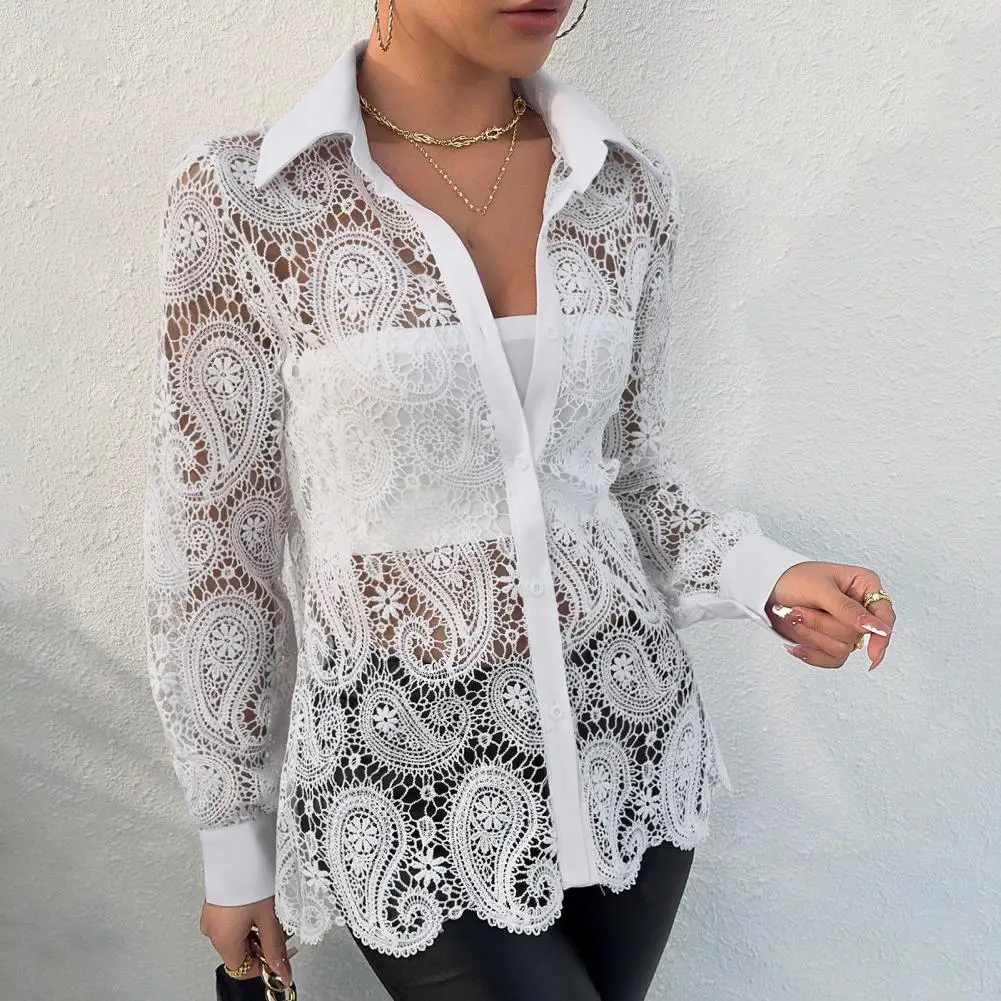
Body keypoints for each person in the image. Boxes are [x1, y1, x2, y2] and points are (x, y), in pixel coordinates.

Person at [142, 2, 897, 998]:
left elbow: (626, 478)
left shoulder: (624, 188)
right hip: (399, 781)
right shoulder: (249, 195)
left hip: (627, 750)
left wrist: (768, 575)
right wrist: (233, 839)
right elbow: (214, 537)